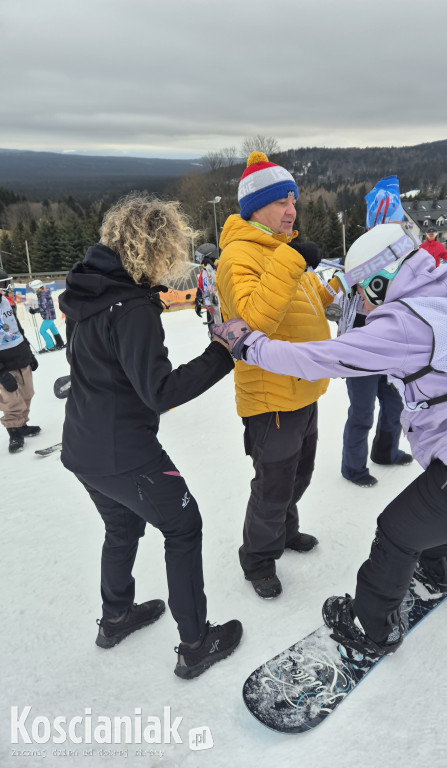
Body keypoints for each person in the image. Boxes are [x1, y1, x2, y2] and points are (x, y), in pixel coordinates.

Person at [213, 222, 447, 657]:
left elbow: (317, 359)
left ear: (381, 282)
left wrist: (250, 346)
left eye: (361, 289)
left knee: (397, 531)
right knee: (439, 495)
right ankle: (441, 571)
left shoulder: (405, 324)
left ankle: (371, 627)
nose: (357, 301)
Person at [58, 194, 242, 679]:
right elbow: (159, 390)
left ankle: (116, 616)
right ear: (154, 248)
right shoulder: (131, 307)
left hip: (82, 447)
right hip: (124, 452)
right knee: (183, 527)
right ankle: (197, 643)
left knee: (122, 528)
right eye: (169, 250)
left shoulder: (89, 292)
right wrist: (222, 353)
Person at [215, 151, 338, 599]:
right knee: (273, 485)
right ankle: (258, 559)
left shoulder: (281, 251)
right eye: (282, 202)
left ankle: (286, 533)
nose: (292, 211)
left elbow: (304, 305)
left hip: (303, 390)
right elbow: (253, 319)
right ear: (255, 210)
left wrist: (340, 287)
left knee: (299, 475)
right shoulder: (239, 257)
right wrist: (292, 264)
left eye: (294, 201)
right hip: (270, 398)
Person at [338, 294, 412, 488]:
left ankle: (385, 452)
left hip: (389, 351)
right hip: (359, 352)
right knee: (362, 413)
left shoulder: (396, 273)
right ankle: (353, 468)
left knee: (395, 405)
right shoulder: (355, 278)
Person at [0, 268, 41, 453]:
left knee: (27, 394)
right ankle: (14, 431)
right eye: (3, 284)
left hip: (20, 356)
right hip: (4, 365)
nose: (5, 288)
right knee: (11, 400)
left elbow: (17, 329)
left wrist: (29, 353)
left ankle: (22, 424)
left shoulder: (6, 303)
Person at [28, 280, 66, 352]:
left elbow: (43, 307)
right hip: (50, 315)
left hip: (48, 316)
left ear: (38, 288)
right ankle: (60, 343)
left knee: (42, 331)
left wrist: (34, 311)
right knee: (53, 329)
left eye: (34, 289)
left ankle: (50, 346)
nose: (34, 291)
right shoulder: (44, 293)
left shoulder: (43, 295)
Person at [194, 243, 219, 330]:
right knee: (213, 335)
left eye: (201, 259)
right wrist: (198, 299)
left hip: (221, 311)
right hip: (210, 310)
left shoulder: (220, 267)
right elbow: (201, 287)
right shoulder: (203, 272)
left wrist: (213, 269)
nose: (200, 262)